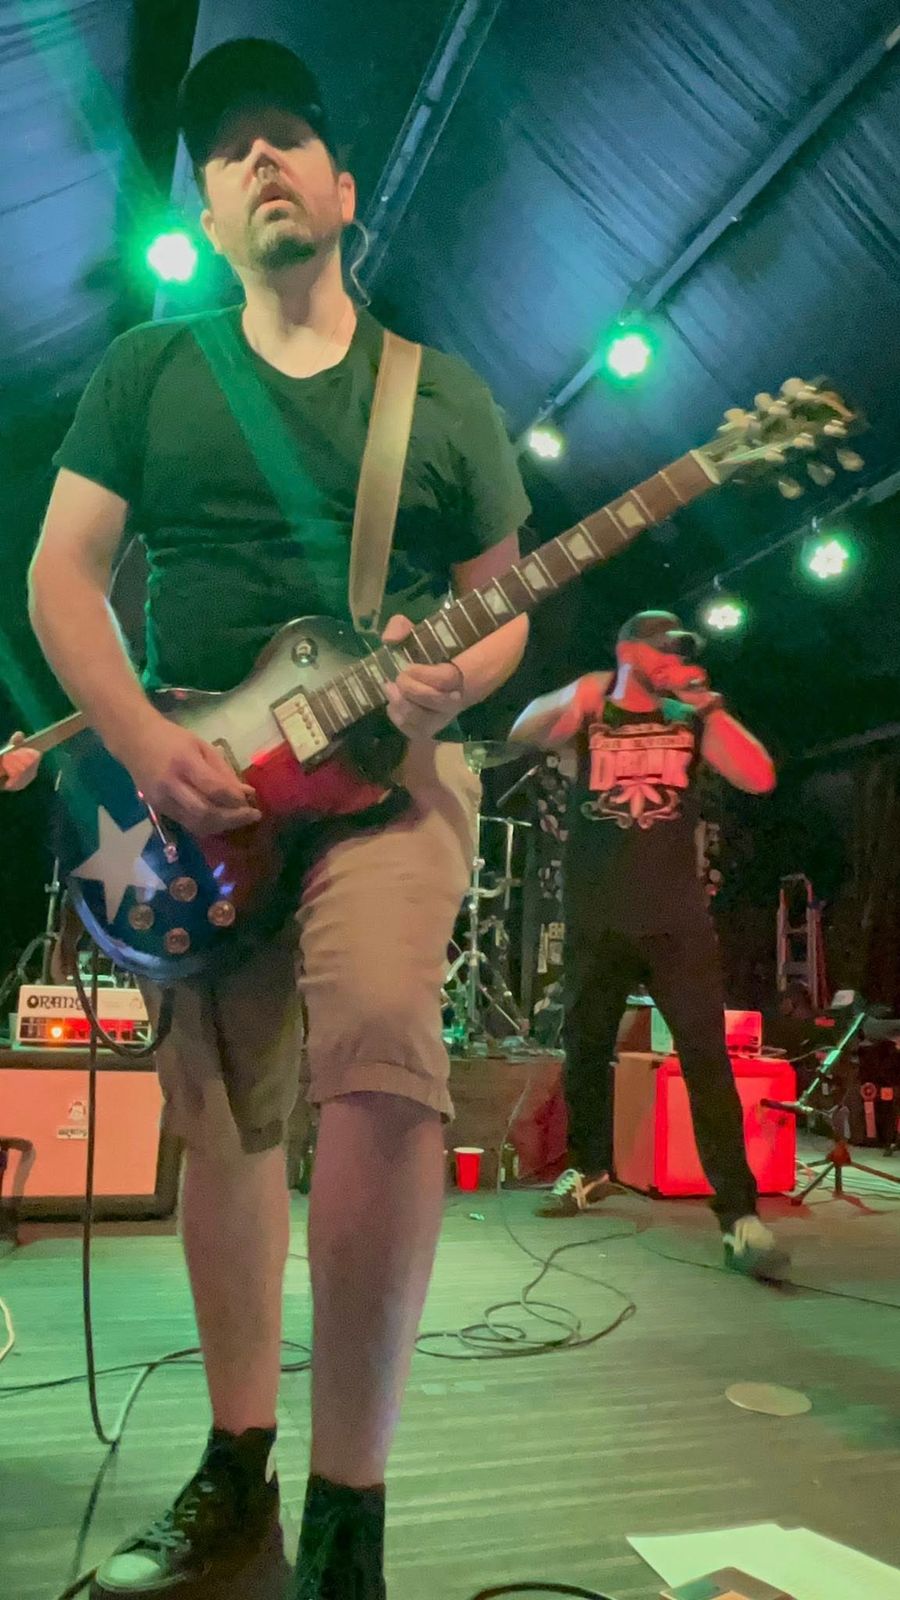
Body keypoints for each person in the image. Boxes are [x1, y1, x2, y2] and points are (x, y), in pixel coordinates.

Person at [28, 38, 530, 1600]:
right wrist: (138, 741)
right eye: (227, 151)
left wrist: (458, 680)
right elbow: (62, 579)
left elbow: (504, 602)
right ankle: (236, 1468)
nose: (257, 161)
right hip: (202, 793)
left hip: (388, 781)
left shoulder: (440, 396)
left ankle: (347, 1515)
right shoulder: (150, 371)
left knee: (379, 1036)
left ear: (344, 188)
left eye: (285, 139)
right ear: (208, 211)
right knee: (226, 1122)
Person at [510, 611, 789, 1281]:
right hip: (597, 916)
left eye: (680, 651)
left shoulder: (691, 720)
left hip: (675, 922)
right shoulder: (591, 710)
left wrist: (709, 708)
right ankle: (589, 1167)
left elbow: (759, 778)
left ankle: (739, 1214)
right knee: (586, 1048)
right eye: (661, 649)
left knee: (706, 1060)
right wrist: (579, 691)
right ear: (627, 649)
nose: (673, 660)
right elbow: (521, 731)